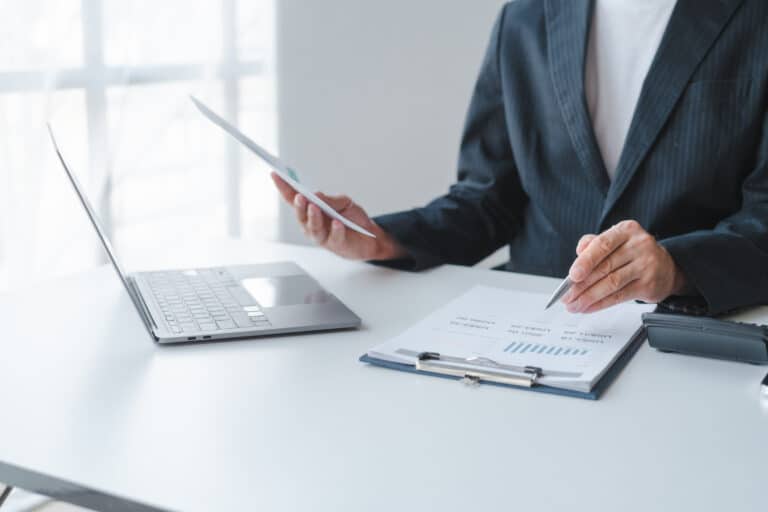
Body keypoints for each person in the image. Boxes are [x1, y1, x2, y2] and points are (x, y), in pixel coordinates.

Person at [272, 0, 768, 315]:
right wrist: (383, 239)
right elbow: (487, 199)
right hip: (531, 324)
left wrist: (676, 268)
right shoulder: (525, 18)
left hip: (686, 333)